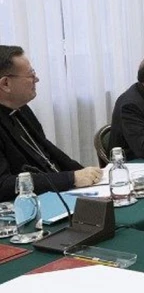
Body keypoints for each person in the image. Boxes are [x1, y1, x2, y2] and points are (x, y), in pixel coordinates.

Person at [0, 45, 101, 200]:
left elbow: (47, 151)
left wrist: (90, 174)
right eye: (30, 75)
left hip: (58, 194)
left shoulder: (22, 109)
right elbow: (4, 185)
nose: (37, 79)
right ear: (5, 84)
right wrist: (71, 178)